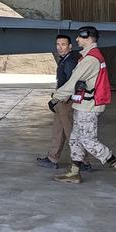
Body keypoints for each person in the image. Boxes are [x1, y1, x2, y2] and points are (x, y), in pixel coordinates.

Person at [49, 26, 116, 189]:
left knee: (88, 141)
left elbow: (73, 82)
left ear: (87, 38)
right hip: (83, 104)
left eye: (79, 38)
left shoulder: (90, 59)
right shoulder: (89, 56)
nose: (76, 40)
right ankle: (74, 172)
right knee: (75, 138)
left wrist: (56, 97)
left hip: (88, 107)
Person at [36, 35, 91, 171]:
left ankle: (83, 162)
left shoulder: (71, 61)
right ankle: (52, 158)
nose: (60, 47)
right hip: (61, 101)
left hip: (67, 102)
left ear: (70, 46)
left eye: (63, 44)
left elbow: (72, 83)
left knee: (72, 133)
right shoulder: (65, 59)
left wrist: (58, 99)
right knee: (58, 131)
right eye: (58, 44)